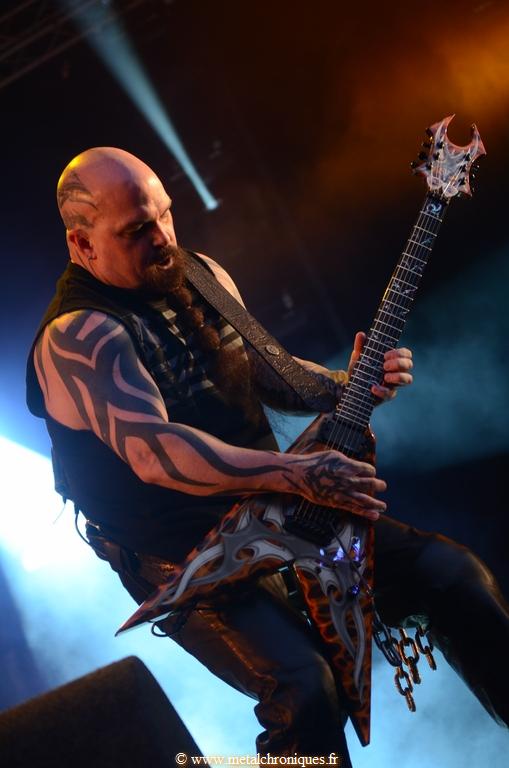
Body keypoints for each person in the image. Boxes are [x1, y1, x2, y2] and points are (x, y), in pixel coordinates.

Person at [26, 148, 509, 766]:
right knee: (304, 691)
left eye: (165, 215)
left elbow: (269, 370)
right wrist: (293, 472)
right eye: (137, 230)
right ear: (83, 244)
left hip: (278, 505)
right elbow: (155, 453)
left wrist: (348, 384)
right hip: (180, 552)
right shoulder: (79, 336)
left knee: (455, 576)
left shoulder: (200, 273)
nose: (163, 238)